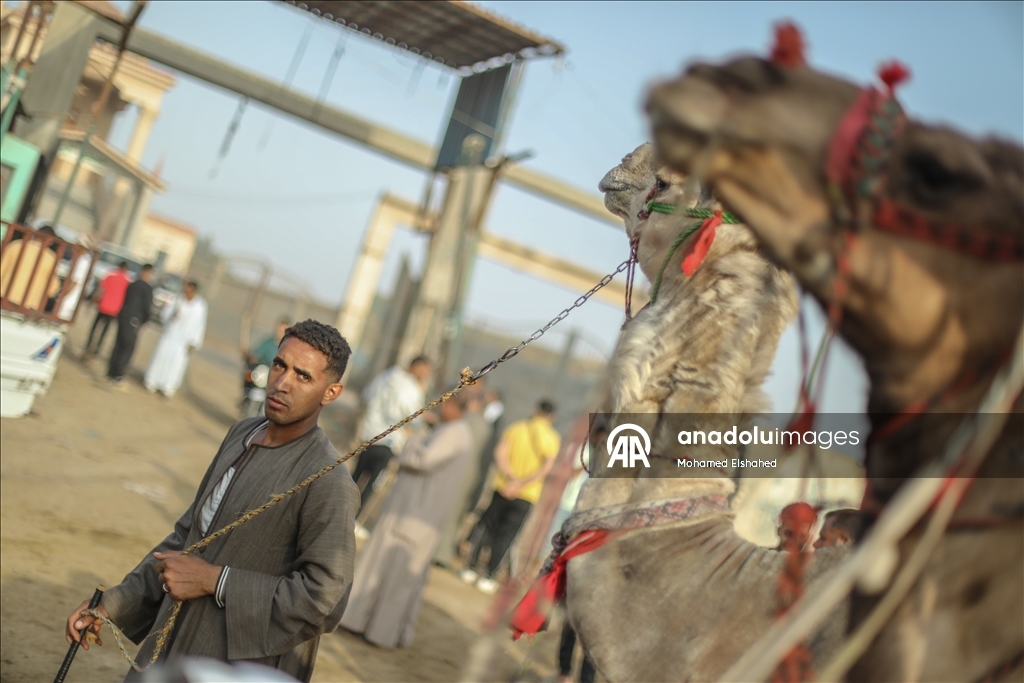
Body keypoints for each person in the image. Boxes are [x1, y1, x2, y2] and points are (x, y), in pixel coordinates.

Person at [65, 320, 359, 683]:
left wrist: (215, 581)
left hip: (242, 665)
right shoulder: (242, 434)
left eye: (303, 376)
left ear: (330, 392)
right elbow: (188, 537)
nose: (282, 383)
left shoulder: (327, 479)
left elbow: (324, 599)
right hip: (174, 641)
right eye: (280, 365)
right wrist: (113, 604)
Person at [340, 393, 473, 648]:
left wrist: (411, 441)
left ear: (455, 405)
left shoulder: (455, 433)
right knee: (385, 571)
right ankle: (361, 623)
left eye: (445, 402)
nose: (440, 405)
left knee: (395, 579)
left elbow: (423, 460)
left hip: (416, 517)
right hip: (411, 512)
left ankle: (380, 633)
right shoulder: (451, 430)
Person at [462, 399, 560, 594]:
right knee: (506, 536)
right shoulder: (552, 438)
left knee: (487, 527)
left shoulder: (516, 428)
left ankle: (471, 568)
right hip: (526, 495)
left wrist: (510, 478)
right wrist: (521, 484)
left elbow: (500, 453)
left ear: (535, 409)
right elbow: (546, 468)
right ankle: (489, 575)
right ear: (552, 417)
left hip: (502, 487)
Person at [352, 356, 432, 513]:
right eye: (425, 372)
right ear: (417, 367)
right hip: (389, 440)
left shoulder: (385, 376)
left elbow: (366, 396)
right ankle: (353, 519)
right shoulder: (411, 388)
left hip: (369, 435)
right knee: (371, 484)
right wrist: (425, 419)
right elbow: (412, 416)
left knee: (354, 478)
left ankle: (336, 511)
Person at [432, 385, 491, 567]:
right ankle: (444, 552)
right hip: (470, 476)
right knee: (456, 514)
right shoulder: (485, 426)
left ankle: (439, 552)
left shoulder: (467, 422)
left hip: (456, 472)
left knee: (446, 511)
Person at [144, 281, 208, 397]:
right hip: (170, 335)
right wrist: (172, 314)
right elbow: (164, 315)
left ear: (193, 290)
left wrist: (194, 343)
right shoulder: (177, 299)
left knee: (176, 363)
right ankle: (151, 380)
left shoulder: (200, 306)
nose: (185, 290)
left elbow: (200, 325)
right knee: (161, 356)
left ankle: (168, 386)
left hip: (184, 341)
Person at [107, 264, 154, 387]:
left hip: (123, 316)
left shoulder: (132, 285)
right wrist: (144, 321)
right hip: (133, 319)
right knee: (128, 347)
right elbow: (147, 307)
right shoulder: (147, 288)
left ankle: (111, 371)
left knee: (119, 344)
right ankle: (118, 374)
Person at [0, 224, 61, 310]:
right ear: (51, 241)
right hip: (28, 307)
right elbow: (53, 289)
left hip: (3, 299)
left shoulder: (16, 245)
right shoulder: (51, 258)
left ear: (34, 234)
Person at [85, 261, 131, 358]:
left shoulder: (110, 275)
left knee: (94, 328)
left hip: (103, 306)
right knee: (104, 332)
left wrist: (92, 302)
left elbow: (100, 290)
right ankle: (96, 350)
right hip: (114, 311)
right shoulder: (127, 282)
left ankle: (88, 346)